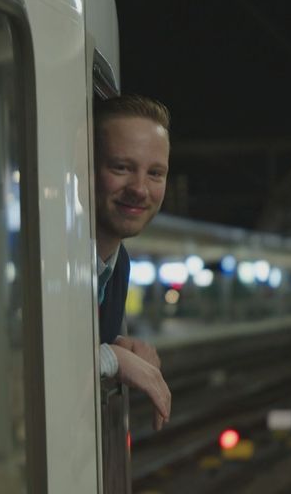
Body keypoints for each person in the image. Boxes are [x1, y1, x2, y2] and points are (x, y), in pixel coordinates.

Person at [94, 94, 172, 431]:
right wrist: (110, 359)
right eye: (121, 167)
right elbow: (15, 369)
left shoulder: (118, 264)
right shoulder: (40, 257)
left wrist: (113, 350)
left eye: (155, 173)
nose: (140, 189)